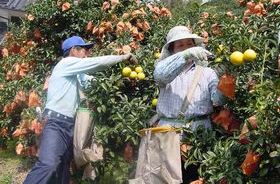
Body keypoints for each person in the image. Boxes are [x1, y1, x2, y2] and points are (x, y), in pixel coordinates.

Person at [23, 35, 135, 184]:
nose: (87, 54)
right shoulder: (66, 64)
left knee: (62, 171)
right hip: (55, 123)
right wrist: (123, 57)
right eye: (84, 50)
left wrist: (124, 81)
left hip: (69, 125)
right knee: (48, 165)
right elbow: (96, 63)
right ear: (74, 50)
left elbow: (97, 83)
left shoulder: (78, 75)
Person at [153, 26, 223, 183]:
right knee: (167, 178)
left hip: (199, 135)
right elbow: (159, 76)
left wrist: (227, 79)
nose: (185, 48)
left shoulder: (208, 73)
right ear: (172, 51)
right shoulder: (164, 71)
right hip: (168, 134)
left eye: (189, 45)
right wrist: (186, 55)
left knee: (195, 177)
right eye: (180, 45)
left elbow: (218, 99)